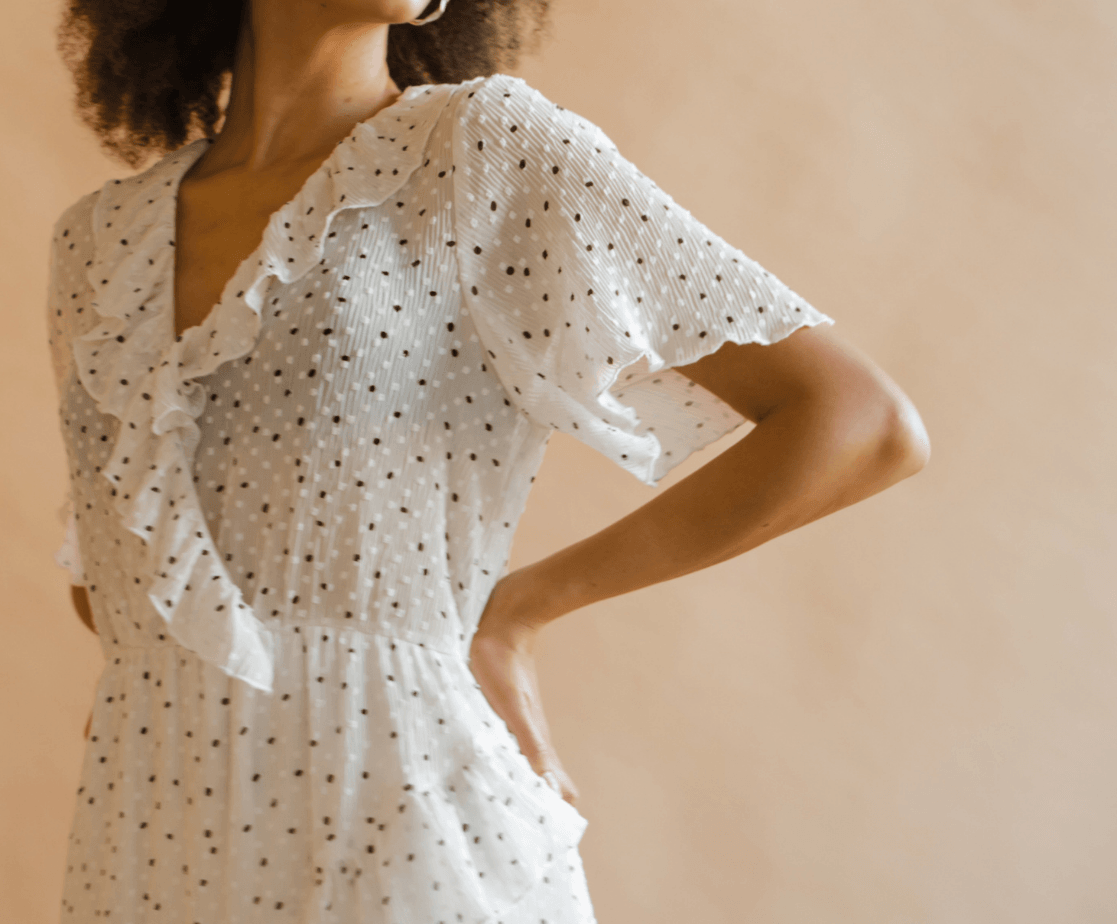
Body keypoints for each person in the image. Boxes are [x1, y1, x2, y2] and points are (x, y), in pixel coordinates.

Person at [45, 0, 930, 920]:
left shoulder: (480, 149)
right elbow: (115, 575)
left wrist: (514, 612)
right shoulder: (97, 244)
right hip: (152, 837)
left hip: (403, 827)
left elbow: (861, 423)